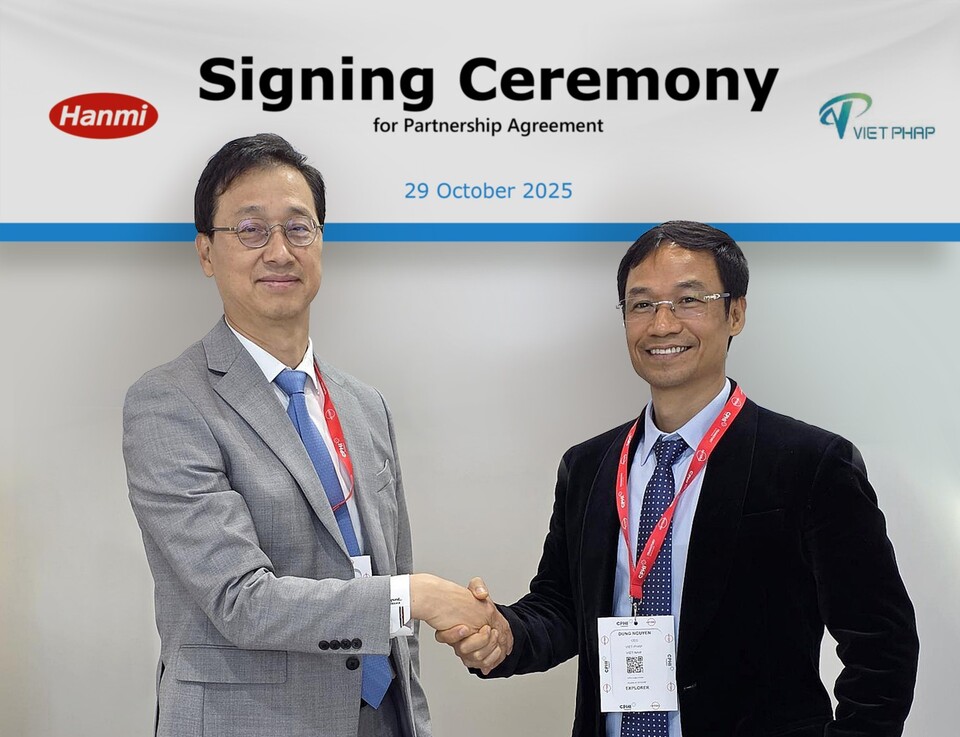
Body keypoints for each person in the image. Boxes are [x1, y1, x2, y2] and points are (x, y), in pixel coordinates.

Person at [438, 221, 919, 736]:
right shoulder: (589, 466)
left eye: (689, 300)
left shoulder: (810, 463)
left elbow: (881, 646)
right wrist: (503, 634)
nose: (662, 325)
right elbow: (562, 609)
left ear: (735, 312)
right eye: (641, 304)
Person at [123, 133, 509, 737]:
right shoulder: (169, 402)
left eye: (299, 228)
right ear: (205, 252)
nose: (279, 250)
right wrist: (418, 598)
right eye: (250, 230)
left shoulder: (363, 405)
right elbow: (240, 601)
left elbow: (384, 571)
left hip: (381, 717)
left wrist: (462, 630)